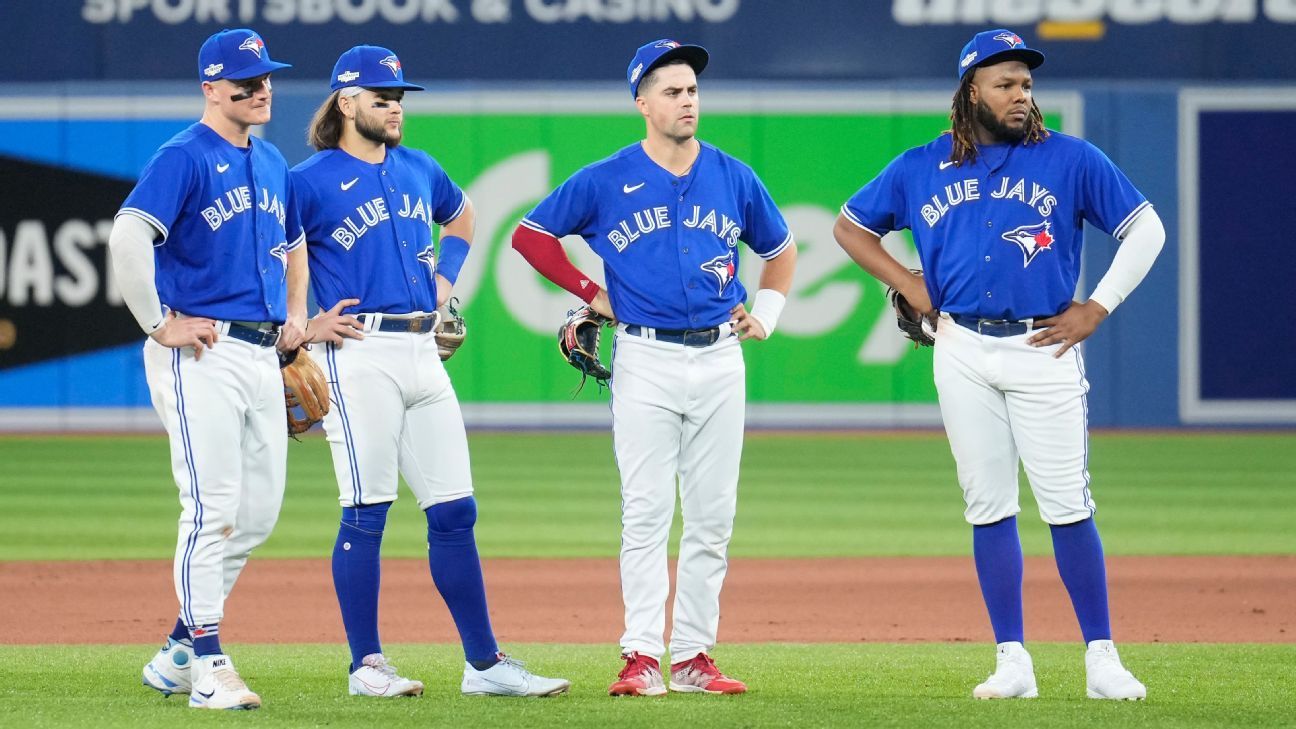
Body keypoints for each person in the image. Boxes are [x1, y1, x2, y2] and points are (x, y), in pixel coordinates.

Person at [833, 29, 1164, 701]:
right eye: (1005, 83)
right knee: (988, 505)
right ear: (971, 92)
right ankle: (1012, 658)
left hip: (1042, 348)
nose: (1021, 94)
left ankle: (1102, 657)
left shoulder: (1069, 158)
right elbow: (849, 226)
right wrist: (905, 281)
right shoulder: (920, 166)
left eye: (1027, 83)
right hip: (960, 346)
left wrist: (1096, 308)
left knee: (1067, 503)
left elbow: (1145, 228)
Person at [511, 39, 798, 697]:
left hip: (721, 356)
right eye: (672, 90)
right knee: (646, 510)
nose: (687, 99)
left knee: (712, 515)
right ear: (642, 102)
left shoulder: (732, 174)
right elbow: (530, 234)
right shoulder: (608, 177)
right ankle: (641, 654)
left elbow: (780, 250)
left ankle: (695, 656)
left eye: (692, 89)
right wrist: (592, 294)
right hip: (645, 353)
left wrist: (769, 313)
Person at [291, 45, 570, 699]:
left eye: (399, 97)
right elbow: (264, 248)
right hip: (357, 354)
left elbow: (465, 217)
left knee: (455, 510)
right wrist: (298, 322)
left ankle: (483, 664)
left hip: (423, 350)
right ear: (346, 102)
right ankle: (367, 665)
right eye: (381, 96)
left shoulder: (418, 167)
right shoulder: (308, 180)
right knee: (366, 509)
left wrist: (444, 280)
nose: (394, 107)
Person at [109, 28, 306, 710]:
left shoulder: (274, 159)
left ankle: (177, 648)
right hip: (201, 351)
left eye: (266, 78)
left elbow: (294, 242)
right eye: (245, 81)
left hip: (260, 353)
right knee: (212, 506)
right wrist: (157, 321)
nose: (260, 89)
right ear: (211, 88)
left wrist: (296, 315)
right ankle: (210, 668)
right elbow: (129, 233)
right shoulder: (183, 156)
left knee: (256, 514)